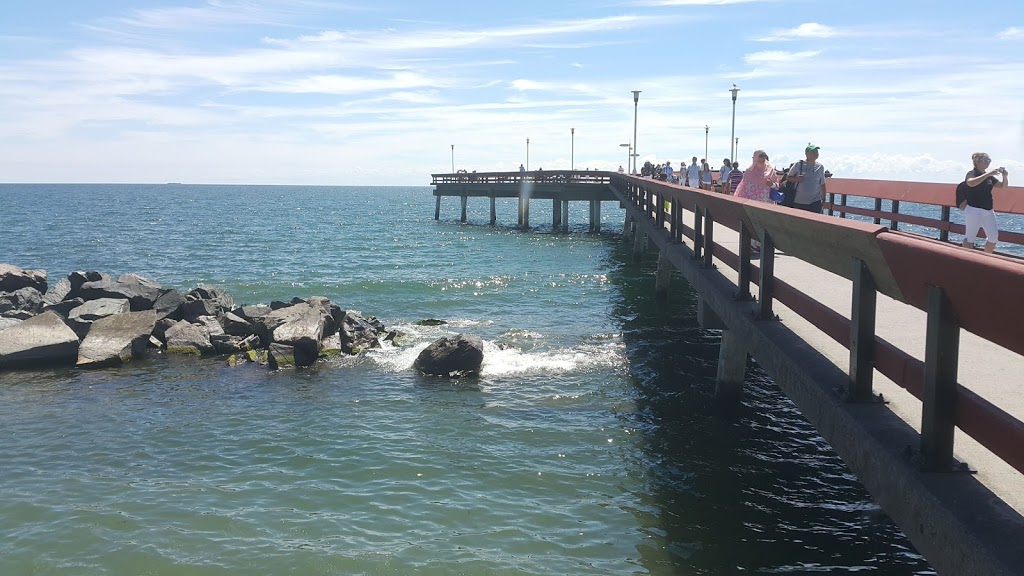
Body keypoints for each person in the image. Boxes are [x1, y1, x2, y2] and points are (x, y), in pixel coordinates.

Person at [962, 152, 1009, 253]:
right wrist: (988, 174)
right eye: (986, 160)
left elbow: (1002, 186)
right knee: (969, 238)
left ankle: (986, 258)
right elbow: (971, 183)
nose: (988, 162)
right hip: (973, 210)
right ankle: (965, 260)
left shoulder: (989, 176)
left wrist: (1005, 176)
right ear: (977, 162)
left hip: (988, 210)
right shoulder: (972, 173)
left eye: (989, 160)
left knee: (993, 237)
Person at [786, 143, 828, 212]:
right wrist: (796, 179)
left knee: (815, 221)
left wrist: (824, 199)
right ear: (806, 153)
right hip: (799, 201)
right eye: (813, 152)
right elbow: (787, 177)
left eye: (817, 152)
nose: (816, 154)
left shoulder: (820, 167)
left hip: (815, 202)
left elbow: (822, 184)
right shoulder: (798, 164)